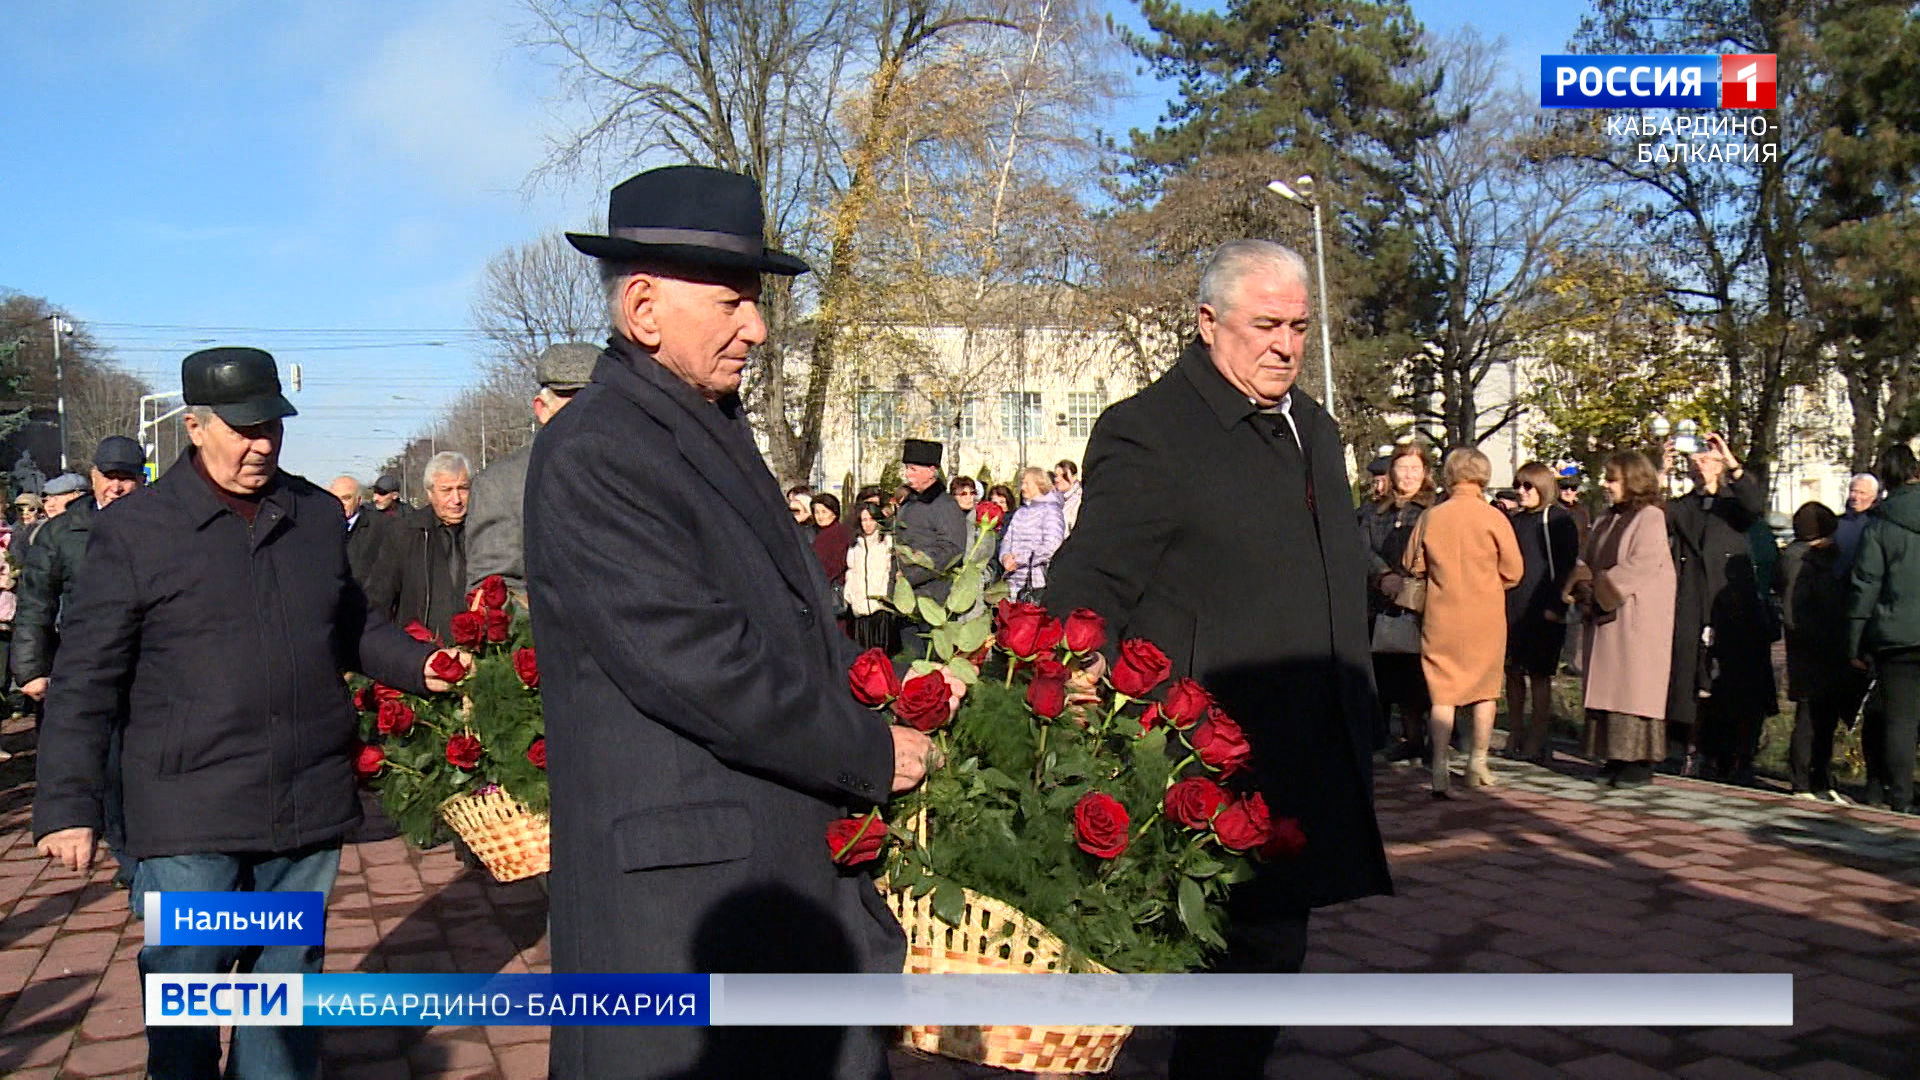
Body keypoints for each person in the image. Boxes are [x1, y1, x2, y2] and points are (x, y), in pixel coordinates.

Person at [526, 164, 936, 1079]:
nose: (756, 326)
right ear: (643, 307)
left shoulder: (699, 422)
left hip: (759, 879)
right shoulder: (599, 449)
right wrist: (868, 751)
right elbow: (701, 664)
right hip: (682, 908)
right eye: (733, 302)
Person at [32, 346, 467, 1080]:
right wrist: (68, 804)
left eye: (273, 426)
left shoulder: (316, 516)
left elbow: (351, 624)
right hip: (189, 805)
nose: (262, 442)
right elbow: (85, 676)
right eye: (243, 428)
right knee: (190, 985)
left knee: (283, 989)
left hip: (302, 798)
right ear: (195, 426)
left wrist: (422, 666)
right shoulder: (137, 530)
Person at [1043, 239, 1391, 1080]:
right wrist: (1079, 681)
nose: (1284, 345)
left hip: (1309, 743)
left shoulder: (1315, 426)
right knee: (1221, 963)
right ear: (1207, 323)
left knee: (1271, 958)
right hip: (1205, 756)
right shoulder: (1149, 430)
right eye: (1264, 325)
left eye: (1299, 328)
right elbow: (1089, 580)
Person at [1405, 447, 1524, 797]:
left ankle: (1439, 767)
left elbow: (1411, 564)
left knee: (1443, 693)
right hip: (1485, 615)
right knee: (1485, 690)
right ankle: (1477, 763)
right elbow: (1514, 570)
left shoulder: (1431, 517)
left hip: (1440, 615)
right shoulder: (1494, 518)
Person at [1666, 432, 1773, 782]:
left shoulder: (1733, 504)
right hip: (1693, 599)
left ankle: (1734, 755)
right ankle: (1692, 750)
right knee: (1692, 677)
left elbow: (1755, 505)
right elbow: (1656, 515)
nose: (1701, 466)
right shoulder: (1685, 506)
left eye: (1708, 460)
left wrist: (1732, 463)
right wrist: (1660, 469)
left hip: (1731, 606)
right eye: (1695, 461)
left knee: (1731, 681)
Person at [12, 436, 149, 707]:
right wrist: (32, 669)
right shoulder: (61, 532)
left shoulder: (166, 529)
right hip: (80, 665)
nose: (116, 487)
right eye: (109, 477)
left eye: (126, 478)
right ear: (94, 476)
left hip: (148, 668)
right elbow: (36, 601)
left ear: (142, 480)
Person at [1567, 451, 1677, 788]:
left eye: (1612, 479)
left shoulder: (1650, 518)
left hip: (1635, 618)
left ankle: (1639, 762)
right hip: (1604, 617)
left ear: (1632, 480)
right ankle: (1613, 757)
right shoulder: (1606, 517)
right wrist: (1581, 583)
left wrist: (1601, 589)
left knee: (1634, 688)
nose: (1605, 485)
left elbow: (1641, 563)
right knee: (1609, 688)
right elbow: (1587, 556)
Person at [465, 342, 598, 597]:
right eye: (572, 401)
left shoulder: (641, 469)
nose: (587, 413)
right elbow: (493, 591)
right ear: (541, 408)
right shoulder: (502, 486)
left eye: (597, 400)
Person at [1847, 443, 1920, 814]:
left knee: (1900, 722)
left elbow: (1866, 584)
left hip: (1897, 636)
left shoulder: (1879, 525)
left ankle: (1901, 797)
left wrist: (1855, 640)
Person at [1357, 442, 1434, 764]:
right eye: (1403, 468)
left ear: (1426, 473)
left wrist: (1410, 580)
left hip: (1423, 600)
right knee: (1392, 671)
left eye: (1415, 468)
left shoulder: (1435, 508)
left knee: (1424, 674)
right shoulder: (1375, 512)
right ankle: (1403, 737)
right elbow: (1360, 547)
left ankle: (1435, 738)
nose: (1408, 475)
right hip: (1381, 599)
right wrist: (1383, 575)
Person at [1777, 502, 1858, 802]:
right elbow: (1798, 609)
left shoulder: (1809, 560)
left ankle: (1820, 778)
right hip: (1813, 650)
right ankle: (1802, 781)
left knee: (1823, 717)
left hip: (1819, 650)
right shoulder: (1804, 564)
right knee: (1810, 717)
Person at [1504, 462, 1581, 762]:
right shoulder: (1516, 521)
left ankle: (1537, 737)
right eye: (1518, 486)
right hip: (1512, 606)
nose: (1521, 492)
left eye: (1528, 486)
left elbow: (1565, 567)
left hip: (1544, 609)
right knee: (1512, 672)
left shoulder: (1558, 520)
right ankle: (1514, 732)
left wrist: (1556, 606)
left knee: (1539, 675)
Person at [367, 452, 471, 642]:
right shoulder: (404, 534)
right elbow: (378, 600)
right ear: (430, 493)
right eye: (446, 490)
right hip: (420, 653)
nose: (456, 500)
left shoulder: (486, 531)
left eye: (463, 488)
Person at [892, 438, 967, 622]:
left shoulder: (944, 506)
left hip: (933, 599)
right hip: (906, 597)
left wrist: (910, 575)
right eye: (907, 468)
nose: (908, 475)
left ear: (931, 471)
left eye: (913, 469)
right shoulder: (910, 503)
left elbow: (950, 550)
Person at [999, 466, 1066, 603]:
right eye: (1022, 483)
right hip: (1013, 581)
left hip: (1036, 582)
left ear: (1039, 484)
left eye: (1026, 483)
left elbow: (1052, 545)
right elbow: (1007, 540)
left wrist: (1020, 559)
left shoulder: (1051, 511)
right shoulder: (1020, 512)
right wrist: (1005, 557)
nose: (1023, 487)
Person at [845, 502, 898, 653]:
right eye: (864, 520)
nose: (867, 524)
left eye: (871, 519)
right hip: (860, 608)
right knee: (863, 655)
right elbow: (851, 571)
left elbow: (890, 570)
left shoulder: (887, 543)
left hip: (880, 608)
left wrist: (886, 595)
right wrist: (850, 596)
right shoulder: (855, 546)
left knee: (881, 653)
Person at [329, 476, 386, 591]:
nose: (340, 504)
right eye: (335, 499)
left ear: (359, 500)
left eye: (346, 498)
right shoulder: (320, 528)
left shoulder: (380, 527)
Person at [1835, 472, 1881, 575]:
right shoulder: (1837, 523)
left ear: (1873, 496)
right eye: (1853, 491)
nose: (1855, 497)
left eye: (1862, 493)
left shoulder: (1879, 523)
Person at [809, 492, 853, 601]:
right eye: (817, 512)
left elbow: (835, 564)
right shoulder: (817, 533)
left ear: (834, 513)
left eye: (824, 512)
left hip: (832, 589)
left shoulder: (838, 533)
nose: (820, 516)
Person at [1052, 459, 1082, 535]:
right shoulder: (1052, 499)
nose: (1058, 479)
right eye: (1056, 476)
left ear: (1074, 477)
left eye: (1063, 475)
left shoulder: (1079, 500)